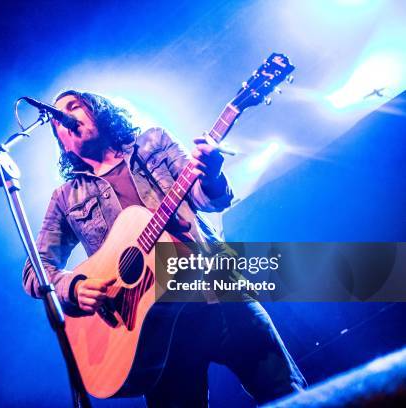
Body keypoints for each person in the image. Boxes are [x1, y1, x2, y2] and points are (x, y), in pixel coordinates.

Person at [22, 90, 306, 406]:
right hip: (150, 330)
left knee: (286, 394)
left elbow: (206, 199)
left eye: (74, 106)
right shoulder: (66, 197)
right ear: (62, 142)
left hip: (216, 290)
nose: (66, 117)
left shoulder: (152, 143)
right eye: (57, 120)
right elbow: (36, 269)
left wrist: (211, 174)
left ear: (99, 110)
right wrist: (73, 288)